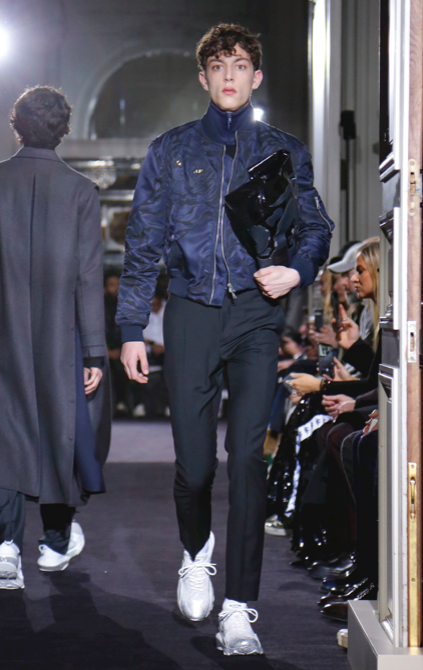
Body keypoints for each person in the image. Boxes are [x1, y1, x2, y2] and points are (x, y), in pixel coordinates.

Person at [117, 23, 333, 655]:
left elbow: (314, 227)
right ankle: (195, 553)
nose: (230, 75)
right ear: (204, 77)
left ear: (255, 77)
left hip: (256, 316)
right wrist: (131, 329)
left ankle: (239, 606)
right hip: (189, 312)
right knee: (194, 466)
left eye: (240, 65)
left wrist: (298, 270)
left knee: (246, 461)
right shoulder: (171, 150)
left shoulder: (284, 151)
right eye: (219, 66)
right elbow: (142, 242)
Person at [0, 87, 110, 589]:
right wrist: (94, 351)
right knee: (60, 427)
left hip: (4, 330)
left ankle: (6, 547)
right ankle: (54, 540)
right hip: (60, 333)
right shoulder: (81, 192)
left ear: (16, 125)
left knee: (6, 430)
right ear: (64, 130)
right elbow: (89, 277)